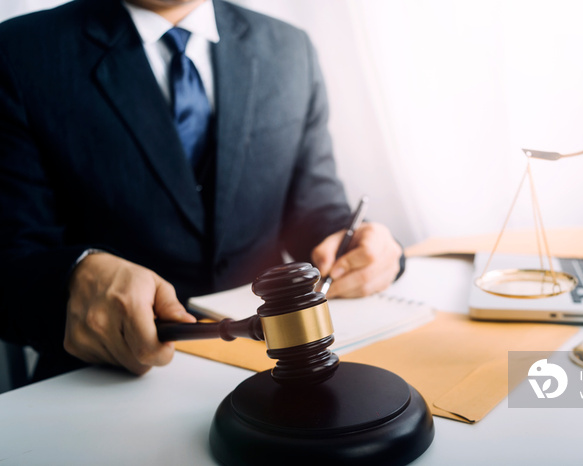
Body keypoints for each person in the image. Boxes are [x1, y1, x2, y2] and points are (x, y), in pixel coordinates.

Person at [0, 0, 404, 381]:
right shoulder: (18, 53)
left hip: (271, 365)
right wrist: (74, 274)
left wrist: (369, 250)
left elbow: (317, 215)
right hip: (106, 378)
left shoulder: (290, 48)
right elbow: (13, 258)